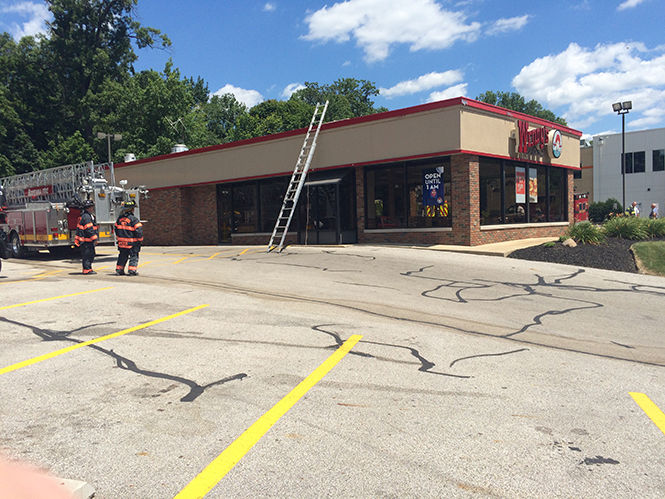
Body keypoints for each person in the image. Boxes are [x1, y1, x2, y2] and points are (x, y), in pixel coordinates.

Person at [114, 200, 143, 276]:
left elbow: (116, 229)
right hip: (132, 243)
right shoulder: (134, 219)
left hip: (122, 243)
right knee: (134, 256)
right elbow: (138, 231)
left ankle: (119, 270)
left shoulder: (119, 219)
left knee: (122, 256)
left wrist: (119, 238)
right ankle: (132, 270)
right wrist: (140, 239)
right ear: (132, 209)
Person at [74, 200, 98, 275]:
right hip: (86, 241)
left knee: (89, 254)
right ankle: (87, 269)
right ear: (89, 208)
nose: (92, 209)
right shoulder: (86, 217)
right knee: (88, 255)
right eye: (91, 207)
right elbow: (89, 229)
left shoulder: (85, 216)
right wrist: (94, 238)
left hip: (86, 241)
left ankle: (88, 268)